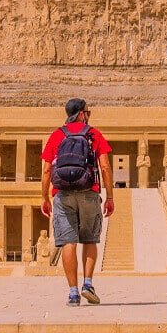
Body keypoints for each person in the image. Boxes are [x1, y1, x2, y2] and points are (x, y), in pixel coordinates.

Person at [40, 98, 114, 306]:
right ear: (82, 114)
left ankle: (73, 293)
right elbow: (105, 167)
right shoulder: (93, 134)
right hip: (89, 191)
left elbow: (46, 169)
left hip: (62, 194)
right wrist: (110, 197)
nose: (88, 115)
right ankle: (87, 284)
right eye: (88, 112)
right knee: (90, 239)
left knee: (67, 243)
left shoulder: (57, 135)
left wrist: (44, 197)